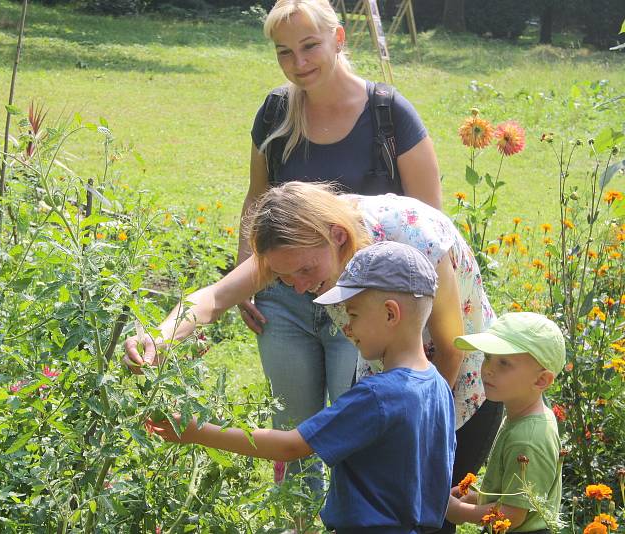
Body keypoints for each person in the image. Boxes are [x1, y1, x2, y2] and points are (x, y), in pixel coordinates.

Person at [124, 182, 502, 519]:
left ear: (337, 235)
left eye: (304, 272)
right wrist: (160, 337)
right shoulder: (294, 249)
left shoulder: (412, 237)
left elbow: (451, 351)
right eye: (285, 280)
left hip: (457, 387)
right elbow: (215, 298)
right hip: (411, 386)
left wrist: (414, 436)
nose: (301, 288)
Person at [234, 0, 445, 501]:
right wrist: (246, 269)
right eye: (285, 52)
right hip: (285, 299)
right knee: (291, 424)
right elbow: (257, 199)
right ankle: (299, 520)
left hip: (363, 303)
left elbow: (430, 223)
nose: (298, 62)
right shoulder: (275, 112)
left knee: (352, 428)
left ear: (340, 38)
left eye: (309, 46)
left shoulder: (388, 112)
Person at [147, 241, 457, 534]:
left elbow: (292, 446)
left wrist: (195, 432)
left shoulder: (377, 395)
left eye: (354, 314)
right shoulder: (439, 388)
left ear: (391, 313)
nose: (347, 327)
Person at [446, 313, 565, 534]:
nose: (488, 368)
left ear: (541, 380)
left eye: (504, 362)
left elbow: (513, 514)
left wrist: (460, 511)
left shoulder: (528, 439)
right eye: (488, 357)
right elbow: (514, 495)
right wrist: (479, 497)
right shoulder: (521, 416)